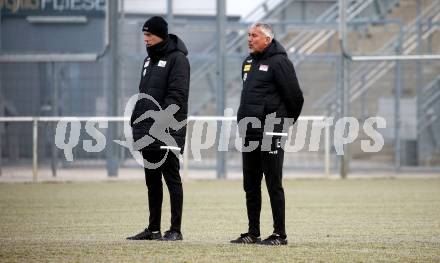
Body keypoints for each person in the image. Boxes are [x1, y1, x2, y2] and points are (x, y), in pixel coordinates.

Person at [231, 23, 304, 245]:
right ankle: (253, 232)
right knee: (250, 184)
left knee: (273, 183)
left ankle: (279, 235)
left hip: (271, 131)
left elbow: (296, 98)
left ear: (267, 39)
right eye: (249, 35)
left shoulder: (280, 62)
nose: (249, 39)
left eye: (254, 35)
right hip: (250, 132)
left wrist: (281, 124)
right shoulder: (248, 62)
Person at [127, 16, 190, 241]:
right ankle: (153, 230)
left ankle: (175, 230)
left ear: (161, 35)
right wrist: (137, 120)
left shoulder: (178, 59)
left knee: (171, 178)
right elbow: (144, 94)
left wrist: (159, 124)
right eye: (144, 35)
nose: (146, 39)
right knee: (151, 181)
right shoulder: (148, 60)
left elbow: (177, 96)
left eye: (150, 35)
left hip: (166, 131)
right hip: (145, 130)